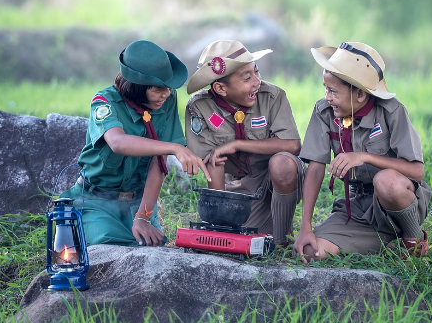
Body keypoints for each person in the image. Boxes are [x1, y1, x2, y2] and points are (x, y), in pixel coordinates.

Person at [60, 40, 209, 247]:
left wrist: (143, 217)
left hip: (138, 203)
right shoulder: (105, 101)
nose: (166, 94)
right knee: (109, 245)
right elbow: (118, 143)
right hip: (97, 202)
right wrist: (175, 147)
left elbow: (159, 164)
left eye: (168, 88)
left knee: (149, 248)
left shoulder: (165, 99)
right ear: (137, 87)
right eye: (158, 89)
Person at [293, 41, 431, 261]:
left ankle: (411, 240)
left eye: (332, 91)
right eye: (325, 89)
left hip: (398, 200)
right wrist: (305, 227)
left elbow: (417, 171)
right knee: (311, 253)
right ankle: (382, 242)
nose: (327, 97)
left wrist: (365, 157)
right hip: (359, 209)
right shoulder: (324, 111)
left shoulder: (392, 111)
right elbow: (316, 167)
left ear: (359, 94)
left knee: (386, 181)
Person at [184, 40, 305, 246]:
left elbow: (292, 145)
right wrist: (218, 223)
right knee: (237, 236)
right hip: (238, 186)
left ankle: (283, 236)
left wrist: (237, 145)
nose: (257, 81)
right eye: (247, 78)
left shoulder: (272, 96)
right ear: (221, 88)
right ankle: (268, 223)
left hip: (272, 178)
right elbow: (212, 162)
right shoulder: (200, 107)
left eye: (257, 72)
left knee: (283, 165)